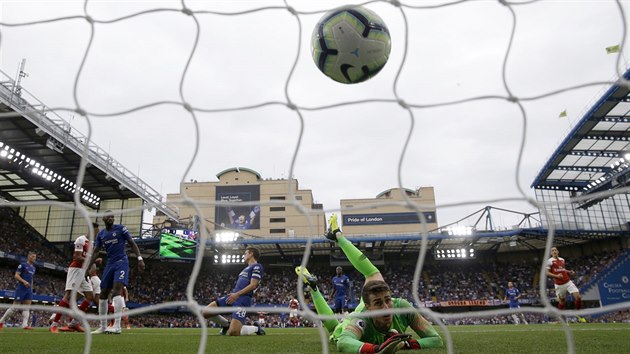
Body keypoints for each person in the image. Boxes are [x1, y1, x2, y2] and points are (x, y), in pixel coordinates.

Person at [296, 214, 443, 353]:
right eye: (379, 303)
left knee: (374, 274)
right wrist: (376, 349)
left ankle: (337, 237)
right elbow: (343, 342)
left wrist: (404, 345)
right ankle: (314, 288)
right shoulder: (361, 320)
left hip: (362, 307)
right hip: (348, 323)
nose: (386, 308)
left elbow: (436, 340)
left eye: (388, 300)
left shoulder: (402, 307)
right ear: (368, 308)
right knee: (334, 327)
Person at [87, 210, 145, 334]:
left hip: (121, 262)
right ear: (103, 218)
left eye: (112, 217)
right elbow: (96, 251)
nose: (111, 218)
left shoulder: (121, 229)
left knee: (117, 291)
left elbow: (132, 243)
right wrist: (88, 265)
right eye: (108, 217)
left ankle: (117, 326)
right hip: (110, 264)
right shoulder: (101, 234)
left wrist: (140, 258)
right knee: (103, 294)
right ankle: (103, 326)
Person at [202, 247, 265, 336]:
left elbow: (253, 285)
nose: (243, 255)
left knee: (233, 332)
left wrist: (237, 294)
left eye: (245, 253)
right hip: (233, 296)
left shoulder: (257, 266)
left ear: (251, 254)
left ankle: (256, 328)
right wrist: (235, 294)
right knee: (206, 312)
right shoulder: (245, 269)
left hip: (243, 299)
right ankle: (226, 325)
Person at [50, 223, 100, 333]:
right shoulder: (80, 240)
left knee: (90, 296)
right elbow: (77, 257)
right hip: (75, 270)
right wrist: (94, 260)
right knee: (68, 296)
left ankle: (74, 323)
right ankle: (54, 324)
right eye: (96, 232)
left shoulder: (92, 243)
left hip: (83, 272)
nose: (97, 234)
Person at [546, 246, 586, 323]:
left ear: (558, 251)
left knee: (578, 297)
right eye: (552, 250)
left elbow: (562, 269)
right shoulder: (549, 261)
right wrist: (557, 276)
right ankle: (561, 318)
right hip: (559, 285)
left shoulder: (562, 260)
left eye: (555, 250)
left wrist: (569, 272)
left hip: (568, 282)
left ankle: (578, 314)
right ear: (551, 253)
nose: (554, 251)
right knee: (562, 302)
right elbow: (547, 273)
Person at [0, 251, 37, 330]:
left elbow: (31, 279)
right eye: (32, 256)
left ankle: (24, 325)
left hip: (29, 290)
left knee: (27, 307)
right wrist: (24, 282)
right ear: (29, 257)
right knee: (15, 307)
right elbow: (16, 275)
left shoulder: (33, 268)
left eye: (35, 257)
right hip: (21, 288)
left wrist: (32, 287)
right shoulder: (23, 265)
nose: (34, 258)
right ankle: (1, 321)